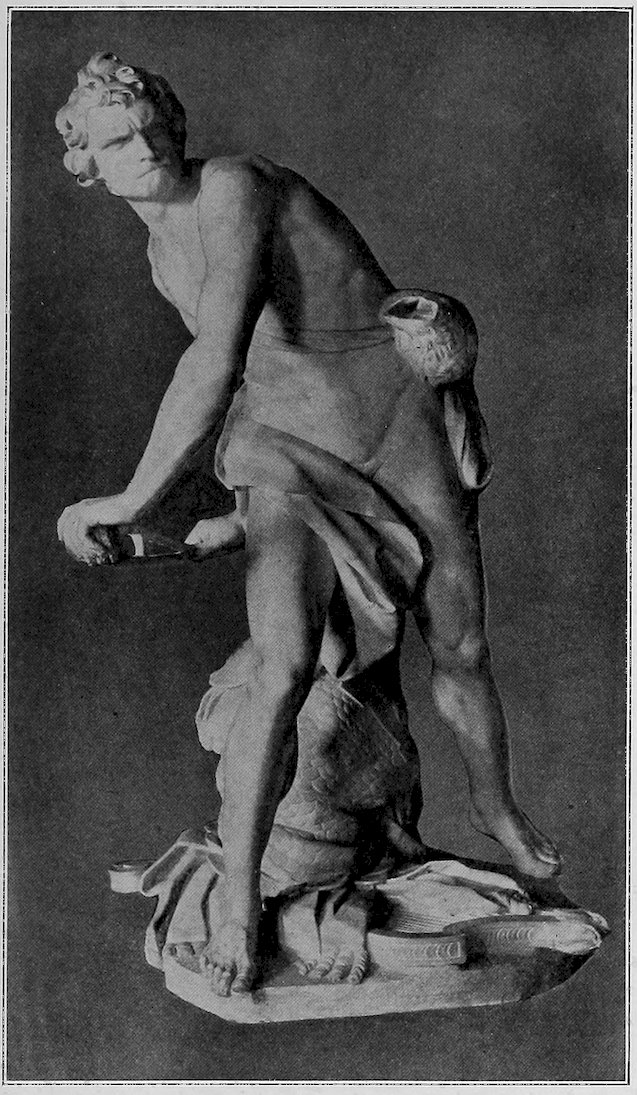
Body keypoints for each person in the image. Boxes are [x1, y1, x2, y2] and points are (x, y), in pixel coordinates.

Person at [56, 53, 560, 998]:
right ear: (88, 166)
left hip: (387, 420)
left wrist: (127, 501)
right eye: (118, 141)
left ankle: (494, 806)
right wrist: (226, 516)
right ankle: (239, 904)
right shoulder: (160, 253)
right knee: (281, 667)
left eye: (153, 126)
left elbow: (213, 360)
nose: (146, 148)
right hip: (283, 447)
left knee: (459, 643)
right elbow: (248, 371)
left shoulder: (234, 186)